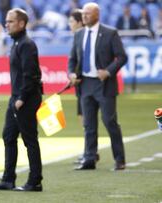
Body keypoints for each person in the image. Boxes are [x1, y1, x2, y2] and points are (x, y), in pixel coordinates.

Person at [68, 2, 127, 171]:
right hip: (85, 84)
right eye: (83, 13)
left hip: (104, 84)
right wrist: (71, 74)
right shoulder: (78, 34)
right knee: (89, 125)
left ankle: (120, 159)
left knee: (109, 121)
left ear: (97, 15)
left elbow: (122, 57)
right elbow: (72, 59)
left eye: (88, 13)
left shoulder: (110, 33)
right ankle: (89, 159)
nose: (84, 16)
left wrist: (108, 71)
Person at [0, 8, 43, 191]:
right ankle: (8, 179)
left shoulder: (26, 44)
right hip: (17, 98)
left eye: (10, 21)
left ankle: (35, 181)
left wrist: (21, 98)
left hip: (25, 99)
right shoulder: (16, 43)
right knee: (9, 136)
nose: (6, 24)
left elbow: (32, 75)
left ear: (21, 23)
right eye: (6, 21)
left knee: (29, 139)